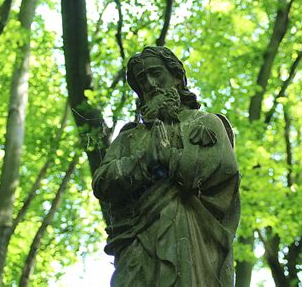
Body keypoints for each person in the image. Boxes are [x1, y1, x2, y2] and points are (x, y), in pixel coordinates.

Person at [92, 46, 240, 286]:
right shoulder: (128, 138)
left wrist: (168, 157)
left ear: (177, 76)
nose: (150, 84)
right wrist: (146, 159)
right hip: (135, 243)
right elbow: (103, 182)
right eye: (142, 79)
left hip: (187, 238)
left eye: (156, 73)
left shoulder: (205, 123)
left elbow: (222, 169)